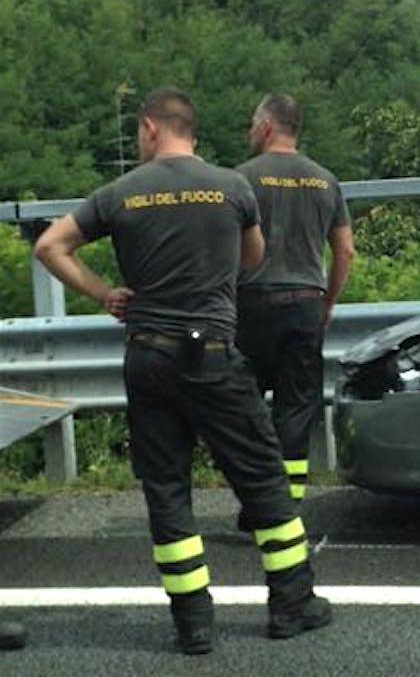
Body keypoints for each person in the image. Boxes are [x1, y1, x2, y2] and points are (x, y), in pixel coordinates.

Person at [34, 87, 331, 655]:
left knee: (167, 486)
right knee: (263, 476)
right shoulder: (234, 187)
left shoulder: (121, 192)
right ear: (190, 130)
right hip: (213, 355)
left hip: (148, 354)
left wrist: (104, 294)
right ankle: (292, 606)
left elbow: (50, 246)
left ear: (149, 128)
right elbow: (254, 258)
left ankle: (193, 623)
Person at [235, 93, 354, 521]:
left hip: (251, 306)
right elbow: (345, 252)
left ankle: (256, 502)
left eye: (253, 123)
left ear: (267, 127)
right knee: (297, 409)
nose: (250, 131)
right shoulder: (326, 180)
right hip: (305, 304)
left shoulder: (242, 178)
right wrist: (328, 301)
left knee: (246, 407)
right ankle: (288, 509)